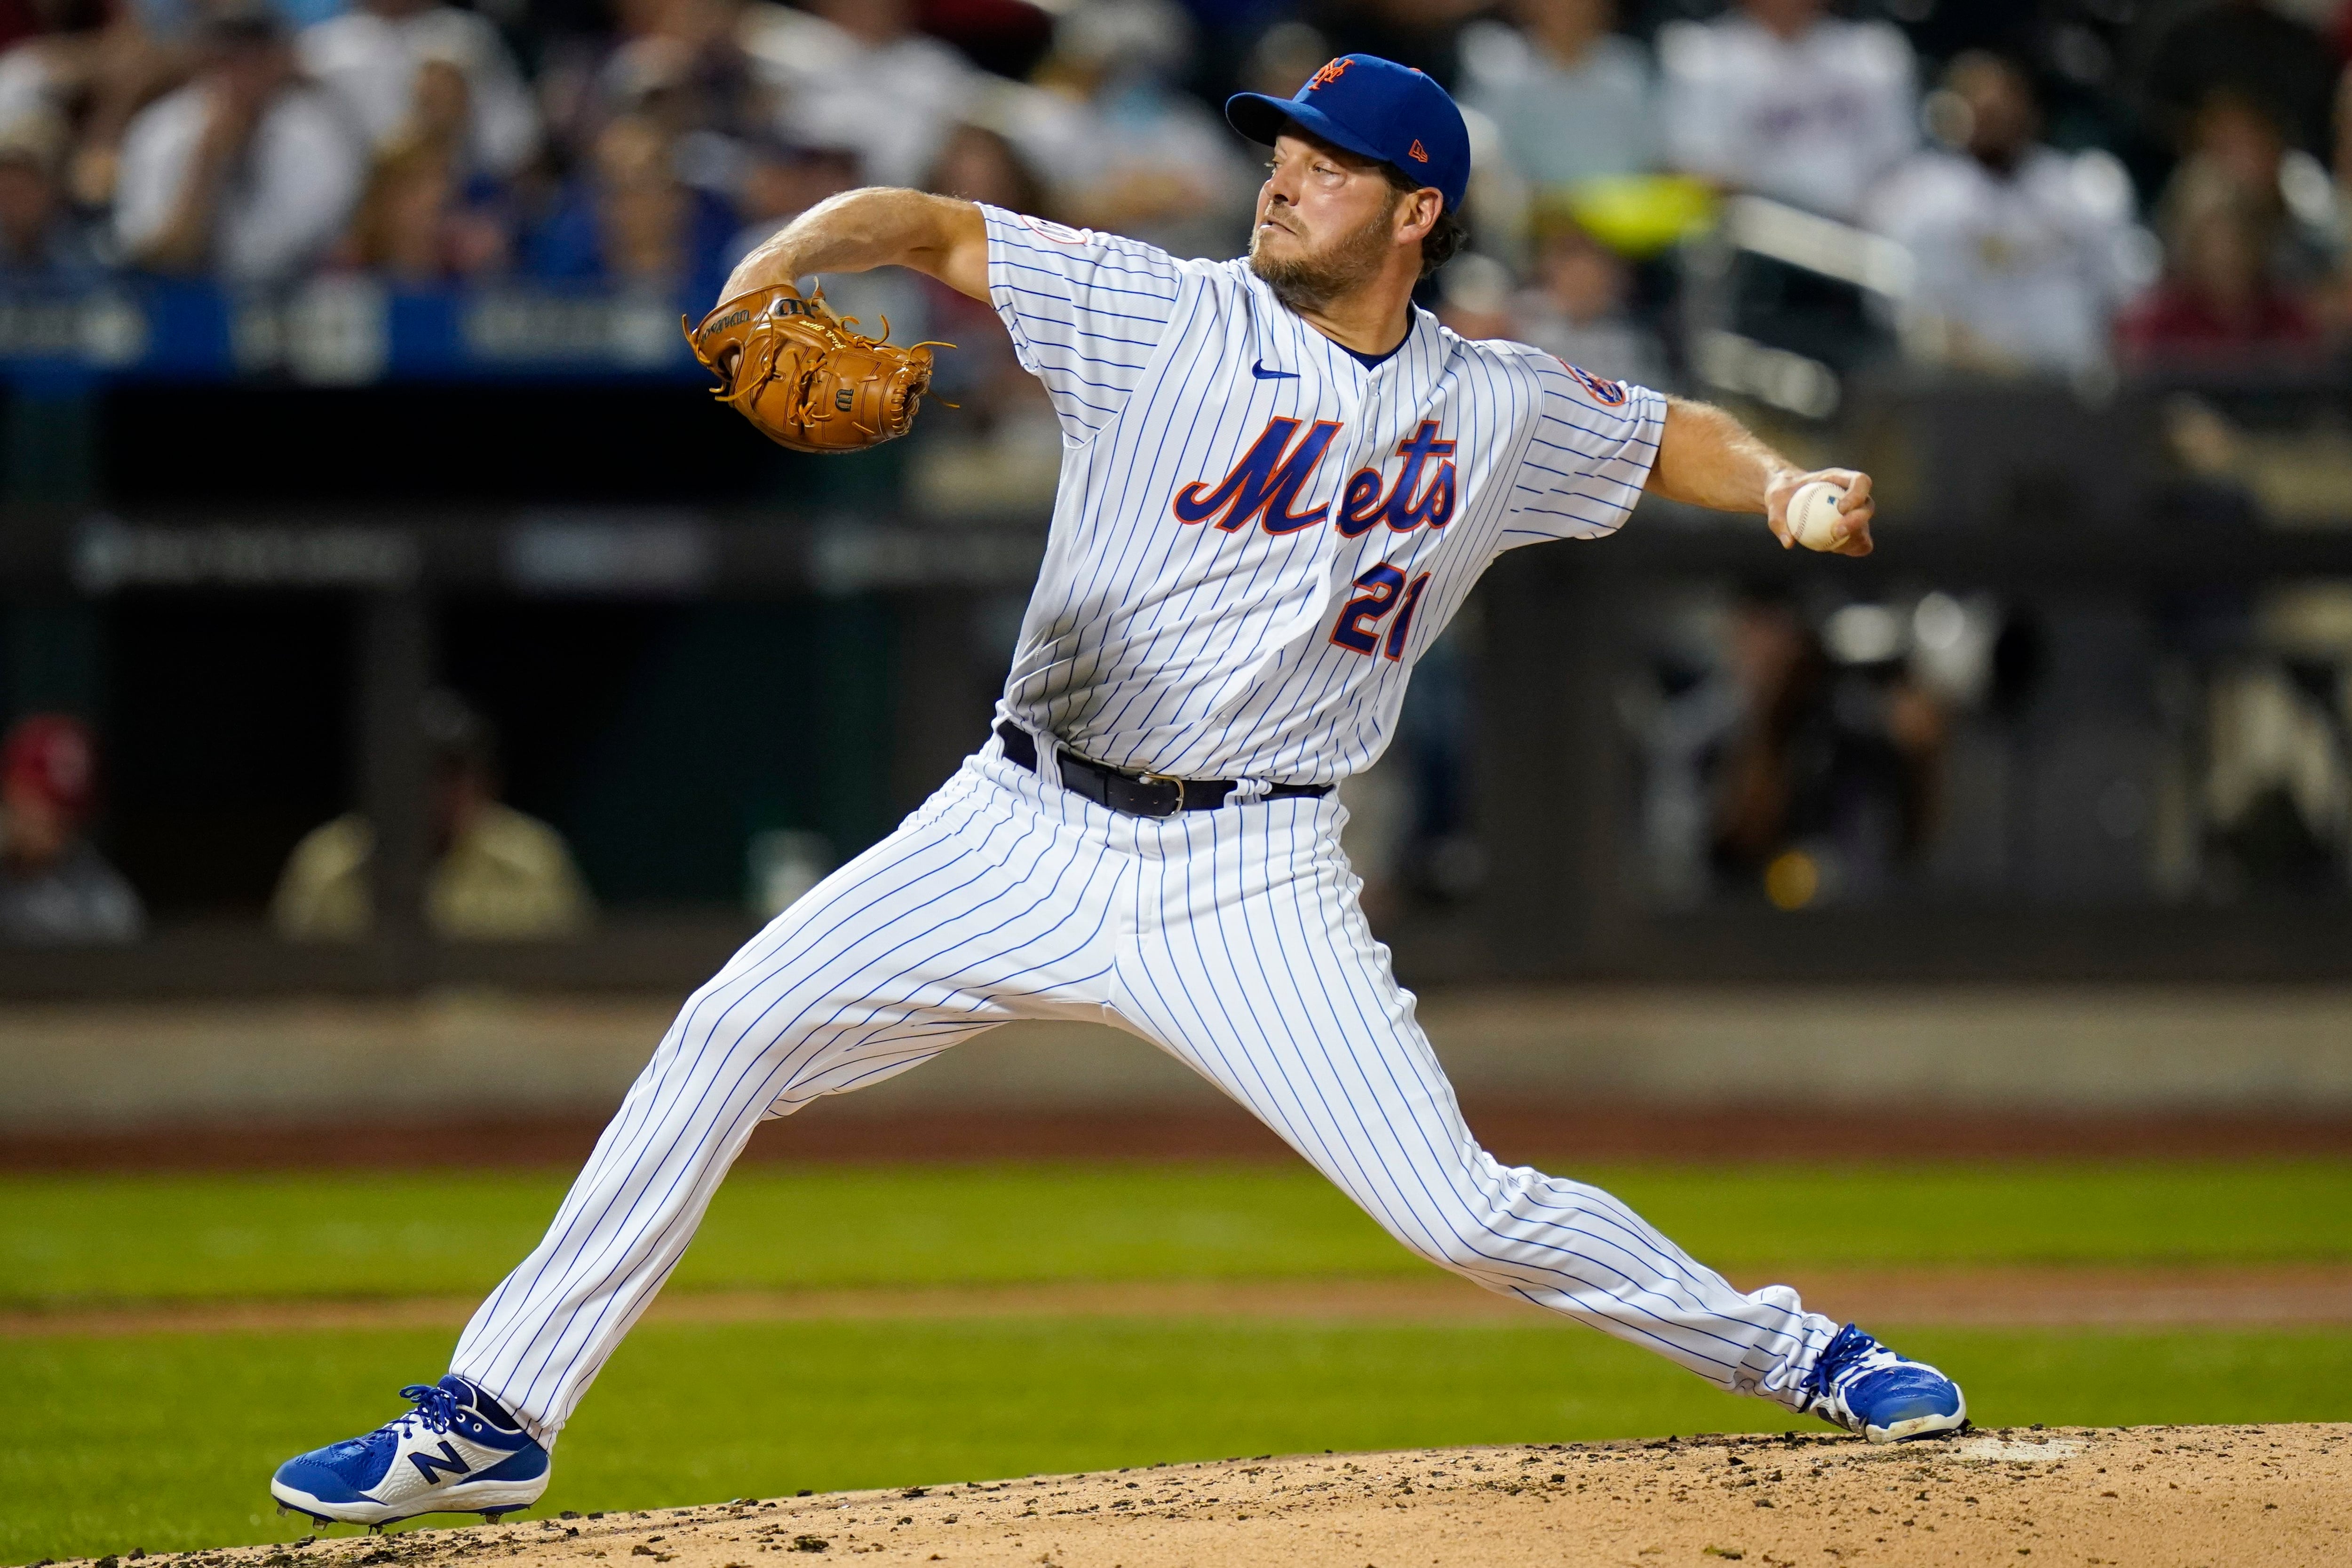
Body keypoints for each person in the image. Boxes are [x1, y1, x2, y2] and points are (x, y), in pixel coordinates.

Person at [266, 53, 1965, 1529]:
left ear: (1414, 213)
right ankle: (490, 1419)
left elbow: (1667, 428)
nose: (1282, 178)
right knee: (726, 1036)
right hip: (1012, 824)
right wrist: (769, 265)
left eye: (1326, 165)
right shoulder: (1157, 305)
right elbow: (921, 223)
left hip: (1249, 876)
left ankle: (1803, 1351)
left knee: (1460, 1210)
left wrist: (1784, 488)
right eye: (1277, 152)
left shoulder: (1491, 407)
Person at [1864, 52, 2142, 377]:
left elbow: (2127, 296)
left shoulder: (2085, 189)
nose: (1997, 118)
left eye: (2006, 105)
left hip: (2080, 382)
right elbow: (1912, 315)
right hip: (1970, 387)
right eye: (1984, 109)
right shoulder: (1919, 199)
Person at [271, 693, 593, 942]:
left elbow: (577, 984)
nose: (436, 793)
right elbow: (285, 986)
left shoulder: (534, 858)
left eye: (452, 775)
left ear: (486, 781)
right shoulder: (329, 862)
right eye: (419, 773)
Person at [111, 2, 364, 279]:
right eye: (225, 58)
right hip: (176, 302)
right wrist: (205, 165)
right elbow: (155, 254)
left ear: (281, 61)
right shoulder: (162, 129)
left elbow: (263, 261)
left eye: (255, 58)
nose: (240, 74)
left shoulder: (314, 131)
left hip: (294, 296)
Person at [1657, 0, 1916, 222]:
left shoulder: (1873, 52)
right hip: (1762, 237)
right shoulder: (1703, 56)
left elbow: (1898, 160)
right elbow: (1697, 170)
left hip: (1867, 224)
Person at [1456, 0, 1656, 190]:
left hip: (1622, 215)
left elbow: (1652, 155)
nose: (1567, 8)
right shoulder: (1496, 65)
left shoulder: (1629, 69)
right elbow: (1479, 155)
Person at [0, 713, 143, 945]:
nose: (57, 821)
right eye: (43, 801)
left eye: (69, 810)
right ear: (11, 787)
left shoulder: (103, 903)